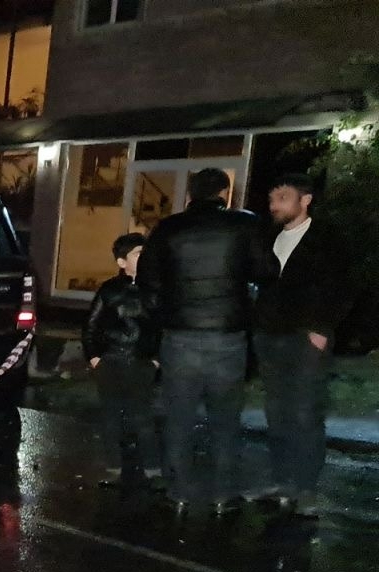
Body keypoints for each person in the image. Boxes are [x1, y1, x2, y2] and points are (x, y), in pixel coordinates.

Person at [138, 167, 279, 513]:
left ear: (190, 195)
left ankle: (179, 491)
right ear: (224, 194)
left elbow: (147, 283)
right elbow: (268, 271)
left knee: (179, 418)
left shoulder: (168, 228)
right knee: (225, 420)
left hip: (180, 338)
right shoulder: (244, 224)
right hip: (227, 337)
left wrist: (166, 316)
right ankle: (222, 494)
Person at [251, 173, 351, 516]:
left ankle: (305, 486)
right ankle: (282, 481)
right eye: (271, 199)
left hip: (305, 337)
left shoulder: (326, 238)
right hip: (269, 335)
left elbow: (343, 285)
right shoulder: (269, 237)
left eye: (282, 197)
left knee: (305, 411)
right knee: (276, 410)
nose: (274, 205)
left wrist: (321, 328)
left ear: (304, 200)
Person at [83, 233, 161, 487]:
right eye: (138, 253)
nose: (144, 258)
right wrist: (95, 357)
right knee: (110, 417)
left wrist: (156, 360)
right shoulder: (109, 290)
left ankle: (153, 469)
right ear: (122, 261)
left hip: (141, 362)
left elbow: (163, 326)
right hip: (111, 361)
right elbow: (91, 325)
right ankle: (114, 467)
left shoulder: (156, 289)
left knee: (143, 417)